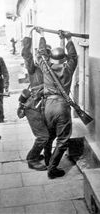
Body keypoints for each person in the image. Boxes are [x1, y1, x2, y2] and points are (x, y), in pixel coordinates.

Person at [36, 28, 78, 179]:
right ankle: (52, 169)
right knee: (63, 139)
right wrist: (69, 39)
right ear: (64, 59)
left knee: (49, 136)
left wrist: (42, 36)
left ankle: (48, 160)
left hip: (47, 106)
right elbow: (73, 56)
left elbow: (41, 53)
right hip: (62, 106)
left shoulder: (46, 67)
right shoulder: (68, 68)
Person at [17, 30, 52, 171]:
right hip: (33, 108)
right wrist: (29, 36)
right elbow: (26, 54)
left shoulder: (50, 71)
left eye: (46, 56)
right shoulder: (33, 69)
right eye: (41, 56)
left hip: (43, 108)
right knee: (43, 137)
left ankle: (36, 155)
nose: (43, 58)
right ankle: (32, 158)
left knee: (47, 135)